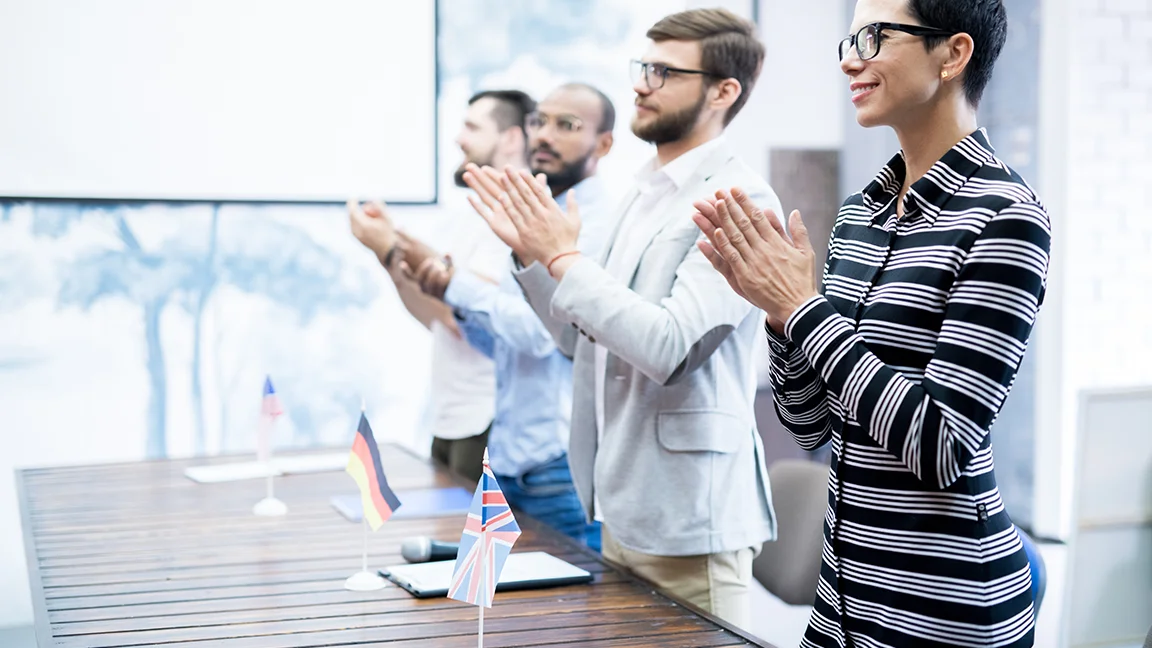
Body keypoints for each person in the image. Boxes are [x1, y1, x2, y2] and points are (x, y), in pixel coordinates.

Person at [692, 0, 1049, 645]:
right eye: (849, 40)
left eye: (875, 37)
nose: (850, 60)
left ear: (953, 54)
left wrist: (802, 310)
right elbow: (812, 426)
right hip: (842, 596)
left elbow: (941, 444)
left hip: (944, 606)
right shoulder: (862, 213)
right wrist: (778, 316)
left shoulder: (1004, 215)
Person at [463, 9, 779, 627]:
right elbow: (580, 340)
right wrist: (533, 257)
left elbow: (669, 348)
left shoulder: (741, 199)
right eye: (643, 67)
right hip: (620, 503)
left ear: (723, 92)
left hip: (689, 518)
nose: (641, 84)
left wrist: (563, 257)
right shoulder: (641, 193)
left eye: (664, 72)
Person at [399, 83, 616, 550]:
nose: (545, 135)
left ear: (603, 144)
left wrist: (456, 285)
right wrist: (451, 298)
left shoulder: (597, 223)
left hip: (556, 464)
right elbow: (503, 345)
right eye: (539, 121)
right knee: (490, 594)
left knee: (573, 597)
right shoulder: (535, 211)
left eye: (567, 125)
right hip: (510, 455)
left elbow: (543, 335)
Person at [349, 89, 534, 484]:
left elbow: (466, 319)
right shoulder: (472, 219)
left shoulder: (517, 219)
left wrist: (394, 247)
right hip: (453, 417)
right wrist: (389, 255)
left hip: (487, 419)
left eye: (472, 127)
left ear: (511, 138)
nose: (459, 139)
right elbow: (436, 316)